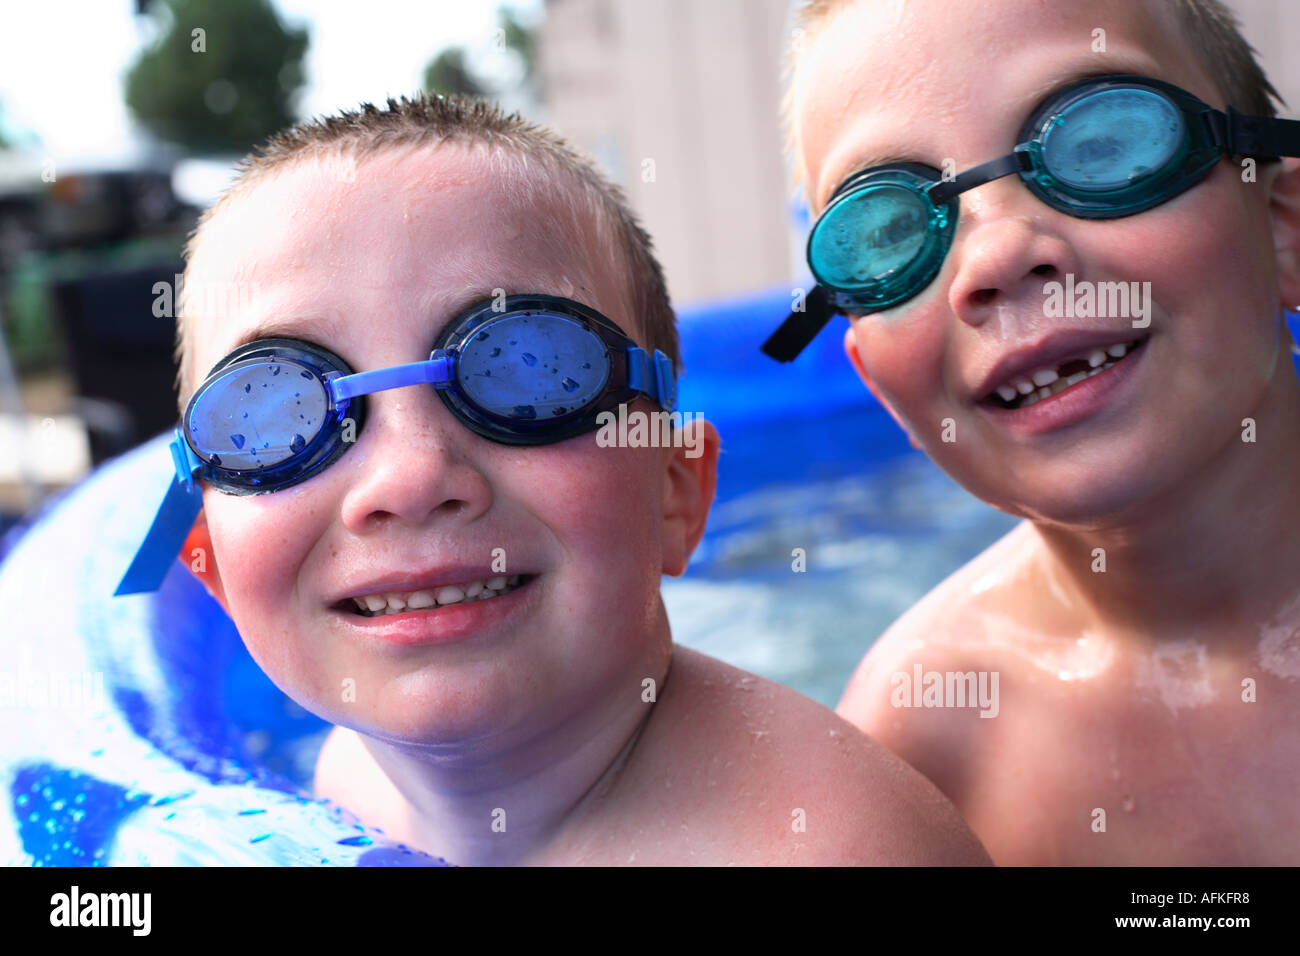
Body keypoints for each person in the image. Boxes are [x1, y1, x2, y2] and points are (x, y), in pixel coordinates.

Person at [115, 94, 990, 866]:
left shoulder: (831, 845)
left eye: (528, 369)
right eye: (278, 415)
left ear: (676, 494)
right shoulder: (346, 777)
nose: (412, 476)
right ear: (213, 566)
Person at [771, 0, 1300, 864]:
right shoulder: (921, 747)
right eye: (892, 228)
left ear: (1283, 230)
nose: (997, 254)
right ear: (881, 388)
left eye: (1100, 143)